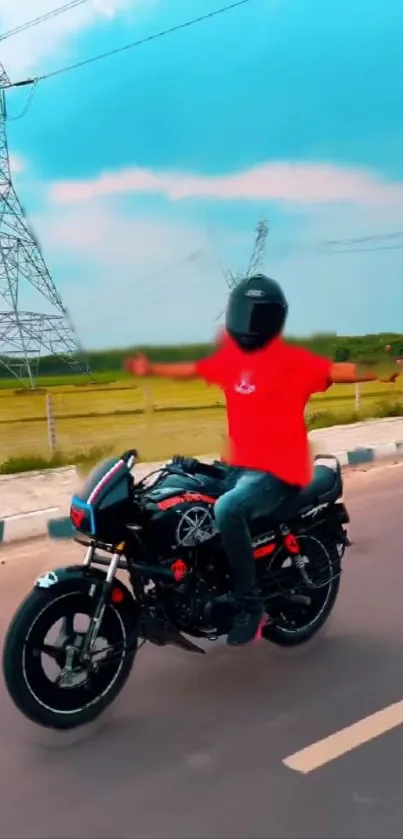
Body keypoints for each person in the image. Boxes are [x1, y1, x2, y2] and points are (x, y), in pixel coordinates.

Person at [124, 274, 398, 646]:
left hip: (276, 472)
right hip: (235, 467)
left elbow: (339, 371)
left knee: (228, 510)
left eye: (251, 315)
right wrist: (149, 368)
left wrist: (381, 369)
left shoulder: (294, 363)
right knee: (173, 491)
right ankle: (192, 590)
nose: (243, 322)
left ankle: (248, 605)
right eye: (241, 312)